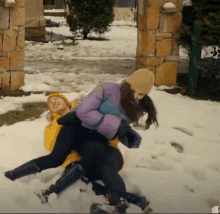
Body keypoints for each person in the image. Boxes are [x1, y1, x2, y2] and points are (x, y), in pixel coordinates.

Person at [5, 68, 159, 213]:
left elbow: (107, 129)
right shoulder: (56, 123)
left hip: (95, 138)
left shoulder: (126, 105)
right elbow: (83, 115)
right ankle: (13, 175)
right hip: (75, 137)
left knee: (95, 161)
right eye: (50, 103)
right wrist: (115, 125)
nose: (136, 97)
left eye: (141, 95)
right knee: (56, 159)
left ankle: (123, 201)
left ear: (67, 101)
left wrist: (123, 131)